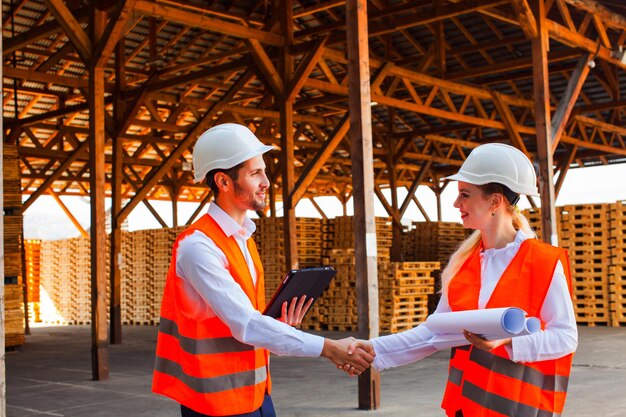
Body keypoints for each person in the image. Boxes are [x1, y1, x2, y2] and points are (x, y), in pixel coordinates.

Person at [152, 123, 374, 417]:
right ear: (224, 181)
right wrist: (328, 348)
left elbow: (251, 322)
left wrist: (280, 327)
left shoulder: (242, 238)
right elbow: (246, 324)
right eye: (256, 173)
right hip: (215, 404)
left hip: (255, 393)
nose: (267, 182)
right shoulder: (197, 246)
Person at [344, 143, 578, 417]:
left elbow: (565, 337)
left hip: (519, 409)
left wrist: (509, 344)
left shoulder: (543, 262)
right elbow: (434, 333)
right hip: (467, 409)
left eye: (465, 195)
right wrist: (372, 349)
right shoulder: (464, 264)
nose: (457, 204)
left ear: (494, 202)